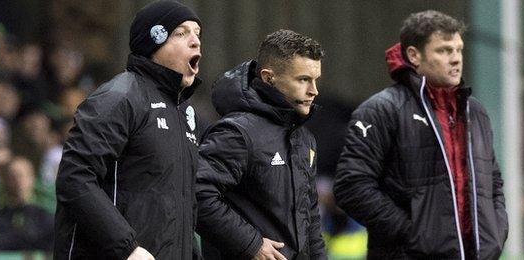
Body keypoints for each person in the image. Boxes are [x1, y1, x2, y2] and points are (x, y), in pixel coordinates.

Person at [333, 10, 508, 259]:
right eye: (444, 51)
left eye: (459, 50)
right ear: (414, 55)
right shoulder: (381, 109)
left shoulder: (474, 111)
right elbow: (351, 187)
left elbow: (493, 183)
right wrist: (415, 234)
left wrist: (495, 234)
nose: (456, 59)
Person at [54, 1, 203, 259]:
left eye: (197, 34)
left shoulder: (185, 113)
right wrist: (128, 248)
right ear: (152, 41)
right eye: (181, 33)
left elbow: (180, 203)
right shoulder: (119, 97)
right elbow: (75, 178)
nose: (195, 41)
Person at [196, 29, 326, 260]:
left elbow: (311, 216)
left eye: (315, 80)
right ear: (268, 78)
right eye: (303, 79)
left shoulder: (304, 138)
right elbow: (198, 194)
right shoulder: (236, 132)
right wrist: (251, 244)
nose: (313, 91)